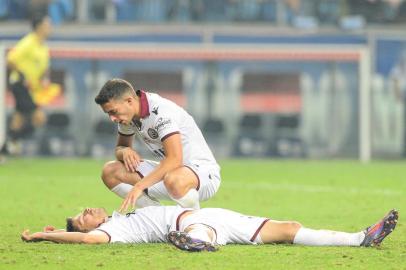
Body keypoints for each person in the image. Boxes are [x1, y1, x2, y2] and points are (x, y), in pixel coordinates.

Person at [21, 206, 398, 252]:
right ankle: (196, 242)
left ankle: (362, 239)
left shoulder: (121, 214)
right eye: (81, 215)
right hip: (187, 221)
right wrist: (45, 234)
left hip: (214, 216)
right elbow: (87, 239)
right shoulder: (115, 232)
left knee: (289, 228)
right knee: (195, 227)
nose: (86, 211)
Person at [94, 78, 221, 212]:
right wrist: (124, 151)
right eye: (108, 113)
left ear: (129, 101)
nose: (112, 118)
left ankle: (195, 224)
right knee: (110, 171)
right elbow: (120, 148)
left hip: (203, 174)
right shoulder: (127, 117)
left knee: (174, 179)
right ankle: (159, 219)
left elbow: (174, 159)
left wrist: (139, 186)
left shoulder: (161, 112)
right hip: (170, 175)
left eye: (113, 111)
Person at [4, 13, 60, 155]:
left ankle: (8, 146)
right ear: (39, 27)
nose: (50, 28)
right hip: (20, 85)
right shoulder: (28, 42)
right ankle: (10, 144)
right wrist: (23, 75)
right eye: (47, 25)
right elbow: (10, 59)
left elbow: (43, 70)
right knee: (39, 118)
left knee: (18, 119)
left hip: (32, 89)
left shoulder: (43, 47)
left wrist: (44, 81)